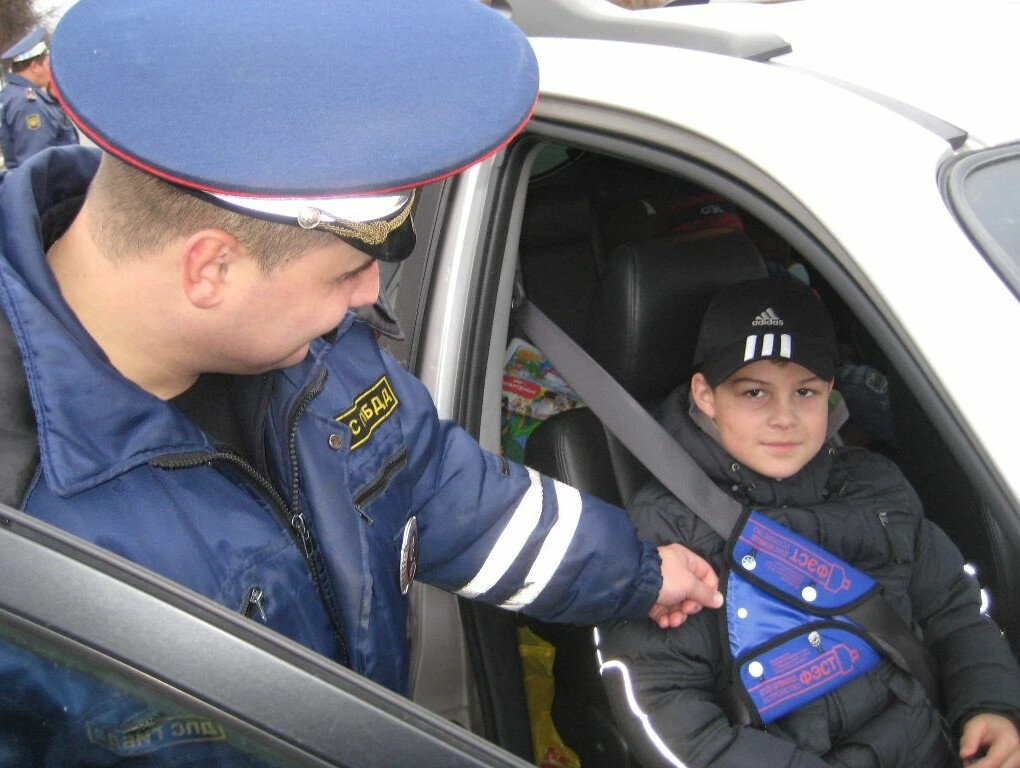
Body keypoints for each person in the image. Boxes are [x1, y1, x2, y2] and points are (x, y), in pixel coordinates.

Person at [0, 0, 723, 762]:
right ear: (211, 269)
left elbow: (441, 488)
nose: (370, 296)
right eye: (346, 270)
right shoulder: (25, 519)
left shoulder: (313, 351)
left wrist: (641, 573)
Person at [599, 278, 1020, 768]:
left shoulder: (876, 487)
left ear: (831, 393)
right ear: (706, 396)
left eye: (805, 391)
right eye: (755, 392)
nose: (785, 417)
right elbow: (668, 713)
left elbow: (955, 611)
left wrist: (989, 703)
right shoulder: (669, 530)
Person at [0, 26, 78, 170]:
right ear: (35, 66)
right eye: (48, 64)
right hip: (51, 190)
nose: (51, 69)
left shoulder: (14, 94)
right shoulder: (29, 103)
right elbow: (36, 166)